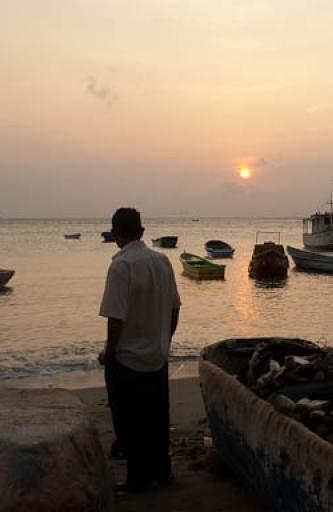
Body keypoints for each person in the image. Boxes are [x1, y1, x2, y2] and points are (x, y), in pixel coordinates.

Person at [98, 207, 181, 492]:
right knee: (158, 419)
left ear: (115, 234)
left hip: (128, 359)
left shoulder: (121, 266)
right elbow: (174, 309)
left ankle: (137, 479)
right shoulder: (162, 262)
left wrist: (110, 354)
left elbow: (115, 319)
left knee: (129, 422)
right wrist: (163, 341)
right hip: (157, 356)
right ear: (143, 232)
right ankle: (162, 472)